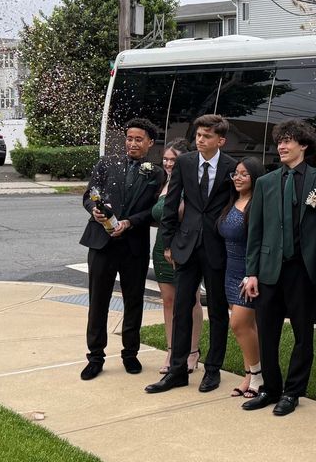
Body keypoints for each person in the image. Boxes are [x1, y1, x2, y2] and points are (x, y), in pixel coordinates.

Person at [242, 119, 316, 416]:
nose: (281, 146)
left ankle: (293, 392)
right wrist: (251, 272)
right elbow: (255, 230)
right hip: (269, 269)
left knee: (303, 334)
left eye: (288, 140)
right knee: (267, 332)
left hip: (302, 269)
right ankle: (270, 389)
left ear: (303, 145)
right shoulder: (266, 182)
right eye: (280, 141)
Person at [145, 114, 236, 394]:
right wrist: (169, 244)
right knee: (181, 308)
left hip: (217, 247)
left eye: (207, 136)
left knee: (218, 311)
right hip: (185, 246)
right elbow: (171, 204)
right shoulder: (185, 163)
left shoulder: (231, 167)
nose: (200, 140)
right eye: (198, 135)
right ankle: (177, 370)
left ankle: (212, 370)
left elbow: (234, 205)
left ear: (220, 140)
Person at [79, 118, 165, 380]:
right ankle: (95, 357)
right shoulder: (106, 164)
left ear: (150, 143)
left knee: (134, 301)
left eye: (139, 139)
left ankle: (130, 354)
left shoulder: (156, 173)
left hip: (133, 246)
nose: (132, 144)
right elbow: (89, 195)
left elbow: (153, 211)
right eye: (129, 138)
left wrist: (130, 222)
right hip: (101, 243)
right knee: (98, 301)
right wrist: (94, 211)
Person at [150, 139, 203, 375]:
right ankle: (172, 350)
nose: (169, 164)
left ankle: (192, 351)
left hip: (185, 248)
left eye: (174, 160)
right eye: (166, 159)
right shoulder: (162, 182)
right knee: (168, 301)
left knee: (191, 300)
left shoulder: (191, 184)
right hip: (161, 247)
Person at [218, 157, 265, 399]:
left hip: (248, 273)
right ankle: (249, 375)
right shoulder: (232, 201)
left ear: (255, 177)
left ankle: (258, 375)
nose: (238, 178)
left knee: (238, 324)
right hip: (230, 271)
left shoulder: (257, 205)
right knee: (246, 328)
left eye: (244, 174)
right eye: (235, 173)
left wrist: (251, 273)